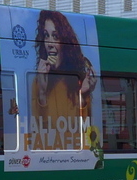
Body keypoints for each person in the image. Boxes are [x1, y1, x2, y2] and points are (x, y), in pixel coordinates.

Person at [27, 11, 96, 150]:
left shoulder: (79, 81)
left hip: (75, 158)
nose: (50, 43)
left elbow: (85, 131)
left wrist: (83, 95)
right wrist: (42, 92)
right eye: (46, 36)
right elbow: (38, 130)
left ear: (66, 45)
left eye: (55, 36)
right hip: (47, 158)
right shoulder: (37, 81)